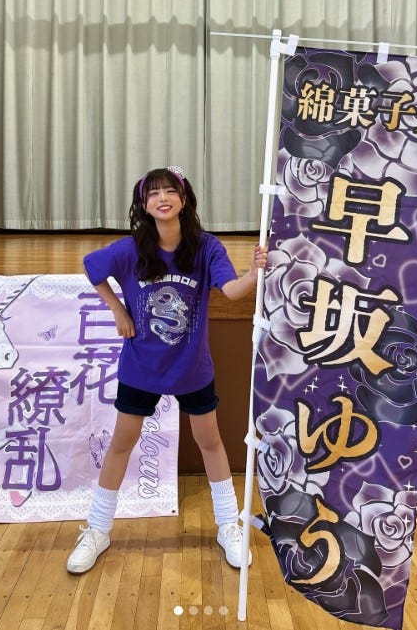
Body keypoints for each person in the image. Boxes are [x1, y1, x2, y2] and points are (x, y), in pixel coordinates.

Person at [67, 166, 268, 574]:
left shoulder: (206, 247)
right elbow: (91, 267)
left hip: (191, 367)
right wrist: (118, 309)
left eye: (170, 191)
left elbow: (231, 292)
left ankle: (227, 526)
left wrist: (254, 272)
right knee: (122, 443)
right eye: (154, 193)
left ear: (184, 199)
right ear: (144, 205)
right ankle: (98, 529)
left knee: (210, 441)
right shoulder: (131, 249)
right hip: (141, 366)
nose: (162, 198)